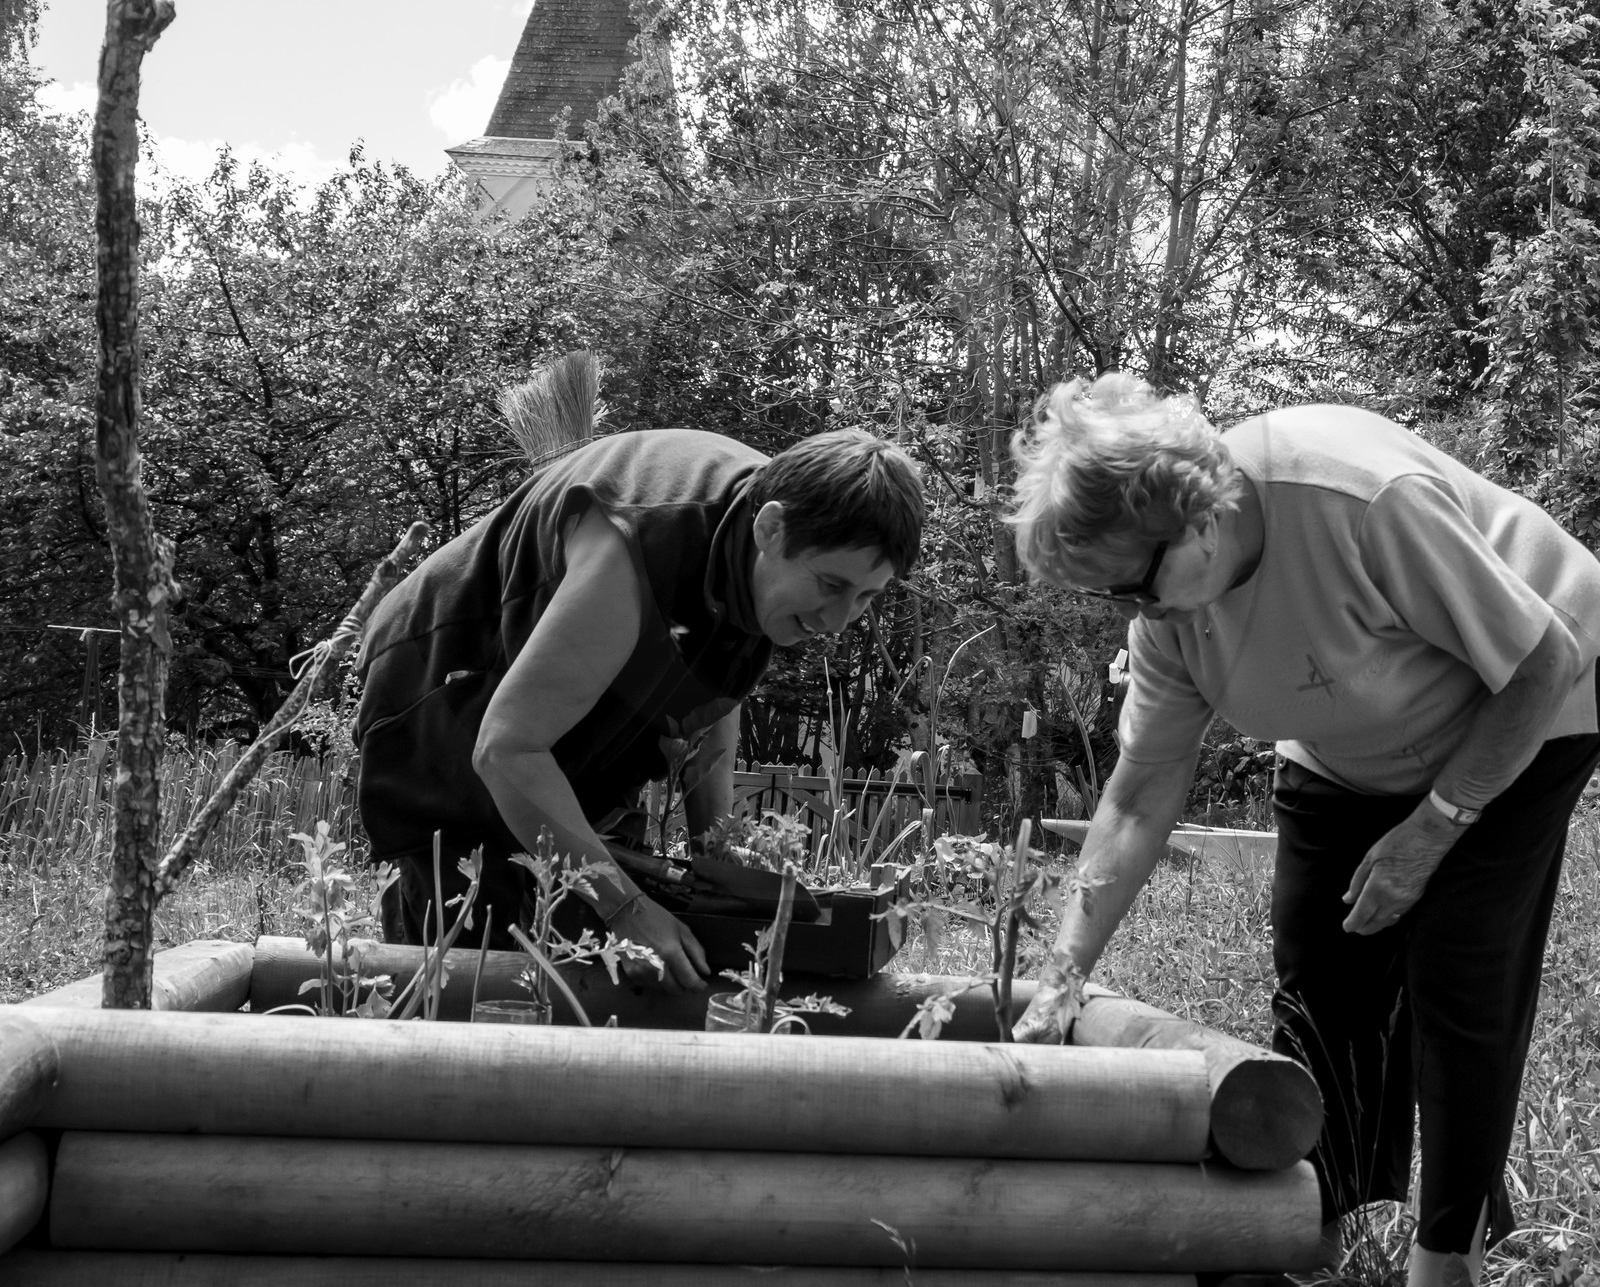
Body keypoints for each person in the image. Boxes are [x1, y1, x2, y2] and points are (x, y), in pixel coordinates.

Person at [1006, 374, 1600, 1287]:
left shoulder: (1358, 499)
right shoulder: (1171, 618)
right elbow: (1137, 797)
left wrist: (1434, 828)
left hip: (1530, 703)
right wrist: (1064, 971)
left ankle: (1448, 1256)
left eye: (1136, 582)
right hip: (1351, 744)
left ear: (1200, 518)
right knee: (1320, 969)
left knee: (1459, 964)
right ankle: (1312, 1223)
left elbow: (1542, 659)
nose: (1137, 612)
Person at [354, 423, 922, 994]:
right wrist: (625, 908)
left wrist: (718, 867)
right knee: (480, 953)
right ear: (770, 529)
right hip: (447, 680)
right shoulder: (640, 547)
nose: (839, 621)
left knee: (598, 916)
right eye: (831, 585)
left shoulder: (765, 557)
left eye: (866, 596)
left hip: (564, 710)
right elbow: (507, 750)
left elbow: (712, 707)